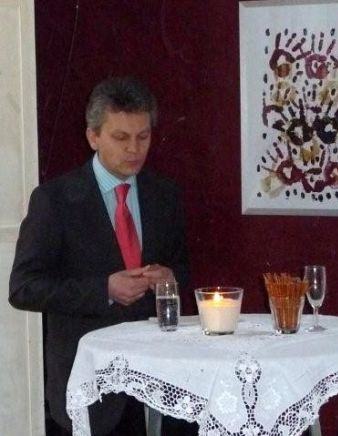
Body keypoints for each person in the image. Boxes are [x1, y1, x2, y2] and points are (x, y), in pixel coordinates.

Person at [9, 76, 189, 435]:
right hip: (89, 387)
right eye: (121, 137)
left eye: (143, 137)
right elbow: (24, 288)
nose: (134, 149)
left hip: (157, 383)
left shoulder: (164, 195)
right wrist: (104, 290)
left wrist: (169, 280)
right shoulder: (55, 200)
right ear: (93, 137)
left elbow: (182, 271)